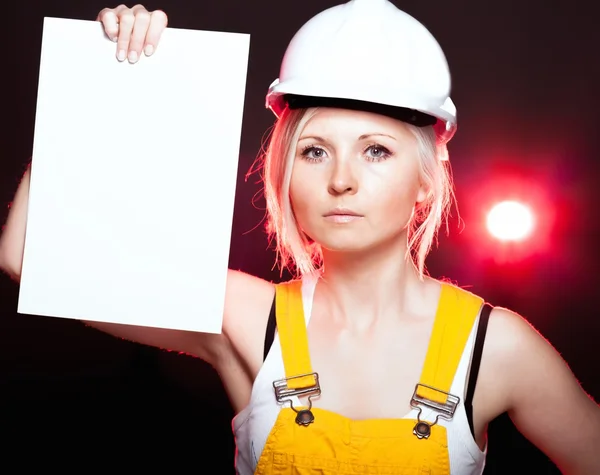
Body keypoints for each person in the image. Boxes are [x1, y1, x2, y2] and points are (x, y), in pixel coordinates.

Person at [1, 1, 599, 474]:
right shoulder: (244, 315)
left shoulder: (497, 347)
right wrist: (101, 79)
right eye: (315, 151)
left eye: (376, 152)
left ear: (424, 181)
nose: (341, 180)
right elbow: (26, 258)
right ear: (286, 171)